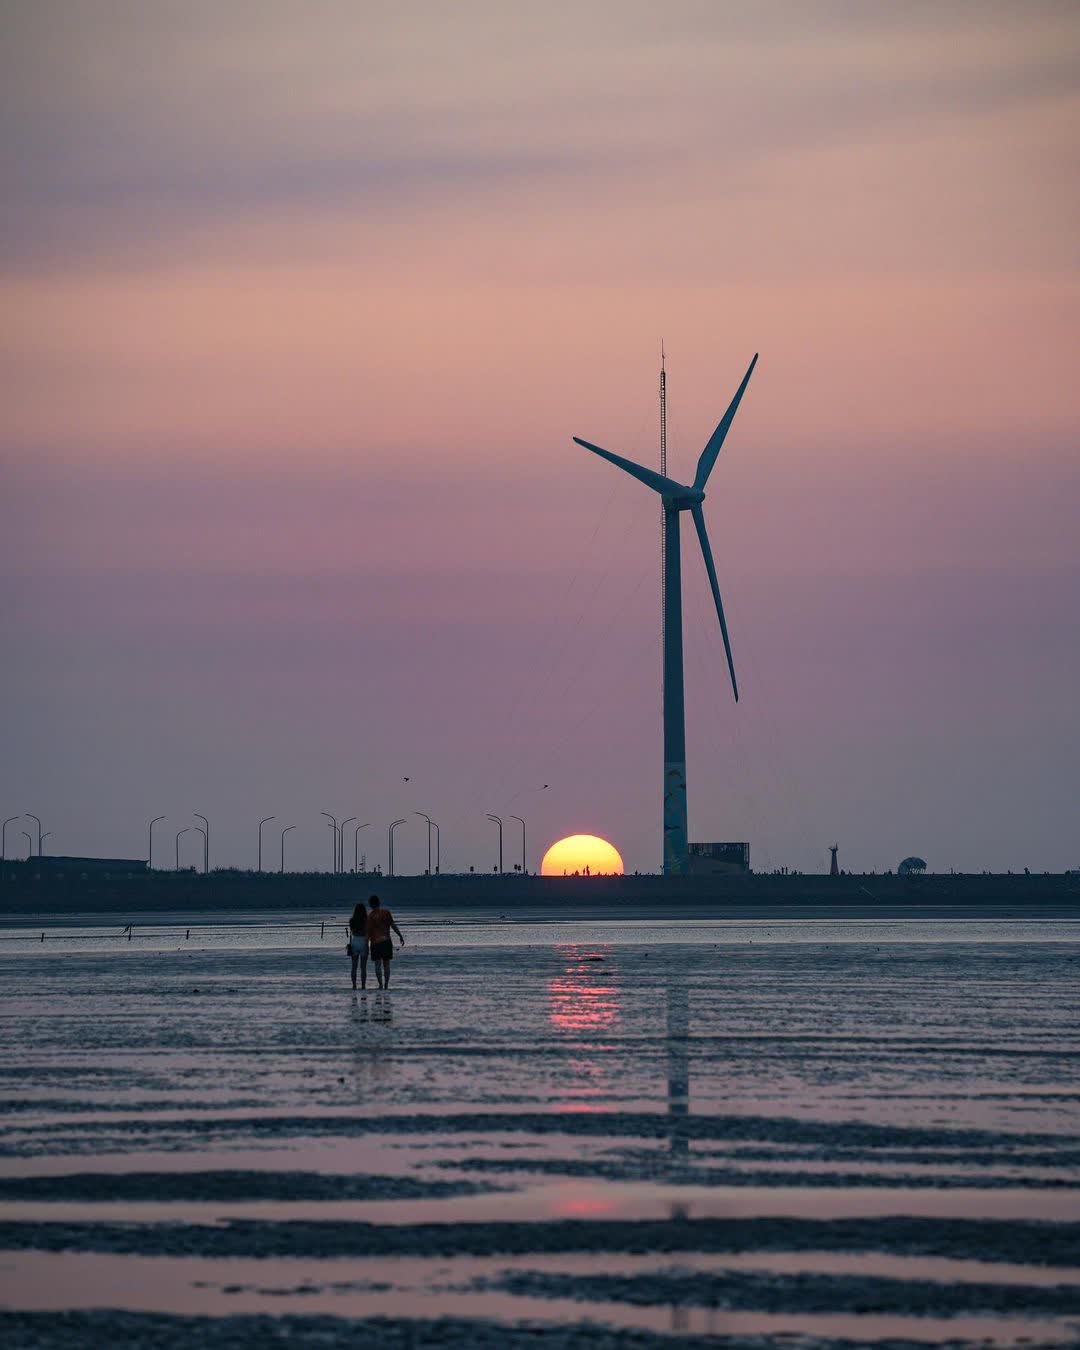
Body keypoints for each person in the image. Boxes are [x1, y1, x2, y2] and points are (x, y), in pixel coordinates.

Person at [365, 894, 404, 988]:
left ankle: (380, 984)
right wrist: (400, 935)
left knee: (377, 965)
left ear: (370, 905)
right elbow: (393, 925)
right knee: (386, 965)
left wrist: (366, 945)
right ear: (379, 903)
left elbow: (368, 933)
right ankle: (386, 984)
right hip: (386, 942)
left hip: (375, 943)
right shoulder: (386, 912)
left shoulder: (370, 916)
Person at [346, 901, 369, 990]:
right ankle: (363, 985)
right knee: (363, 967)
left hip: (355, 941)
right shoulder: (367, 920)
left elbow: (352, 931)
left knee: (354, 966)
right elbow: (367, 932)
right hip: (363, 941)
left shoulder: (352, 920)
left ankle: (354, 985)